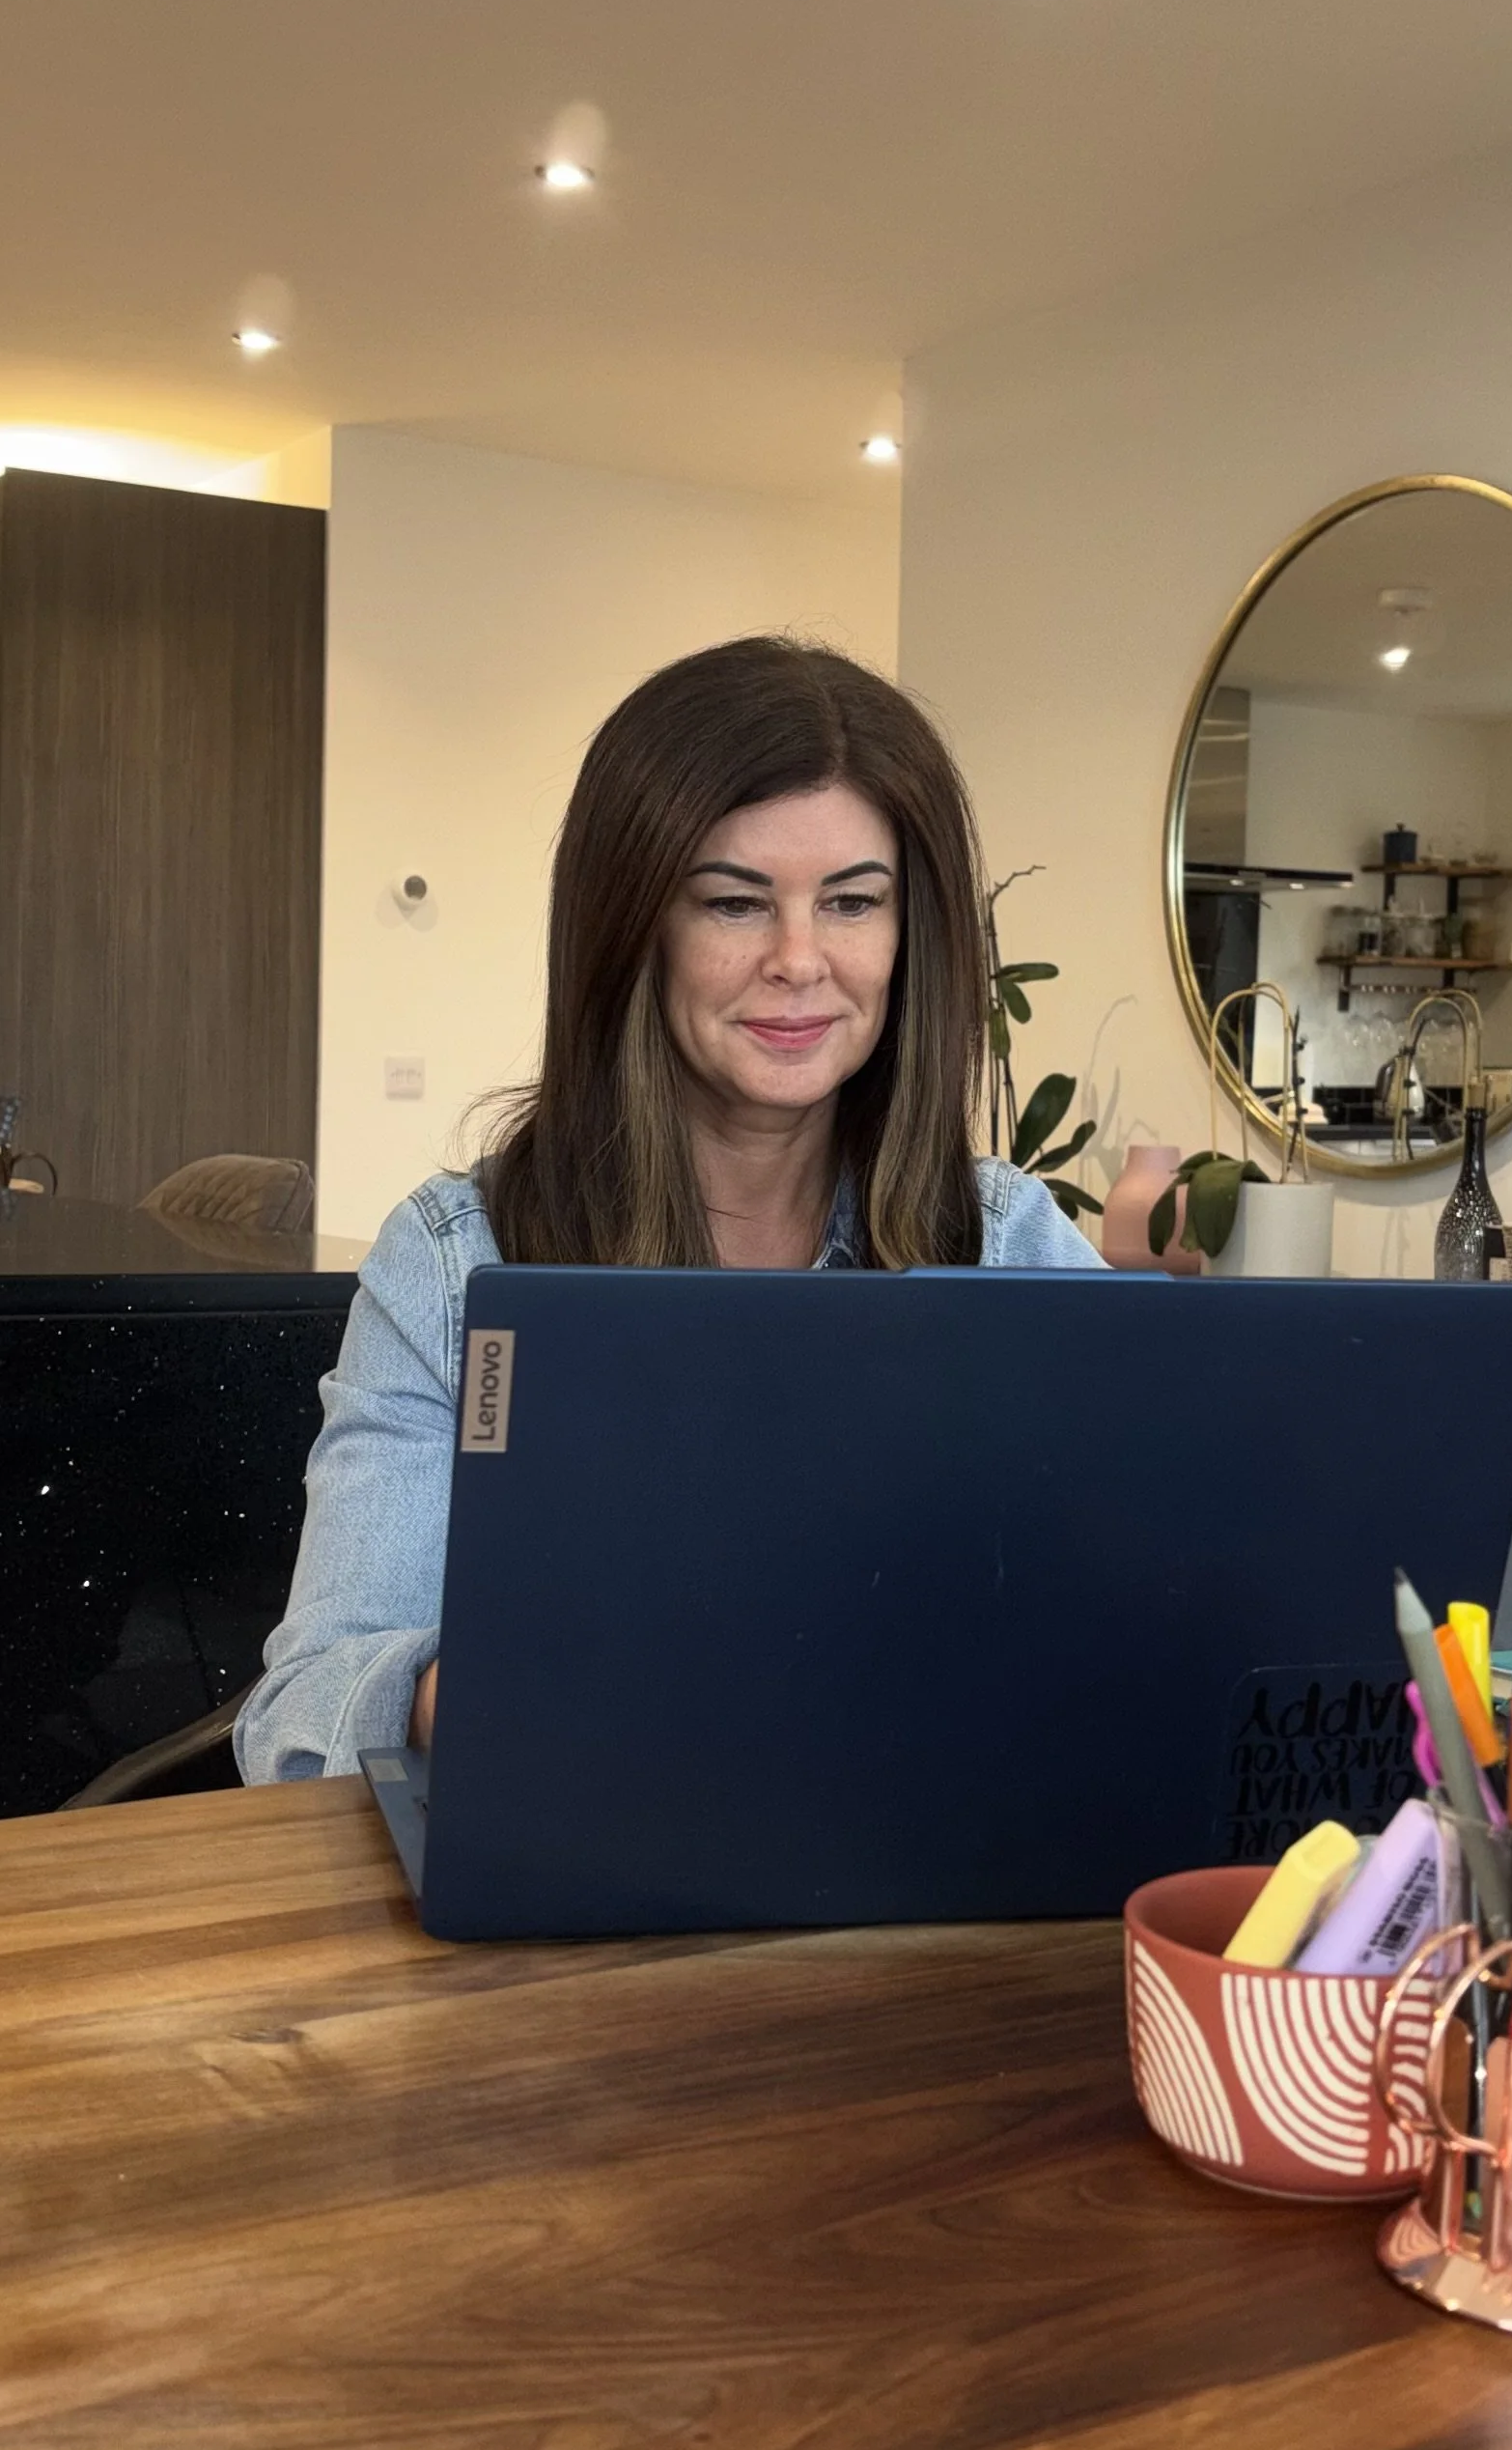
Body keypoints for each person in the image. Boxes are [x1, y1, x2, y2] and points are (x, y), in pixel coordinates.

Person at [238, 634, 1104, 1781]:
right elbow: (295, 1720)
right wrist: (512, 1683)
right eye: (736, 905)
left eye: (852, 903)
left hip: (930, 1882)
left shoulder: (1010, 1243)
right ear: (634, 926)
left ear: (912, 934)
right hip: (595, 1890)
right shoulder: (457, 1260)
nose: (801, 961)